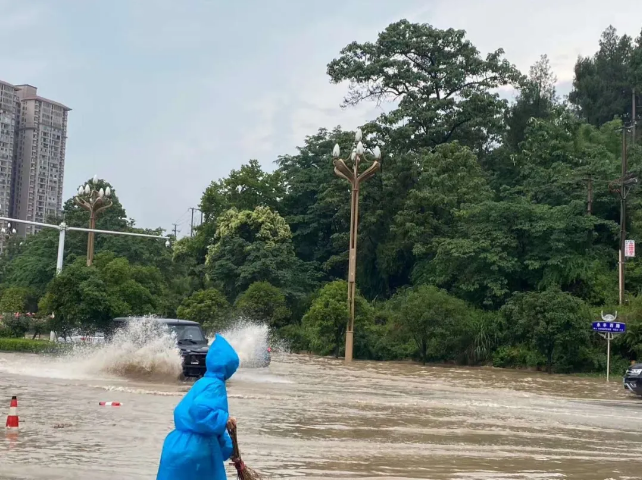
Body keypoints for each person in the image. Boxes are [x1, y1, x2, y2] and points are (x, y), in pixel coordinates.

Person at [157, 334, 240, 480]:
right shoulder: (216, 385)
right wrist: (224, 419)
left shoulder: (201, 382)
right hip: (197, 450)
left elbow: (205, 424)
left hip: (176, 445)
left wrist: (229, 449)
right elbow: (200, 411)